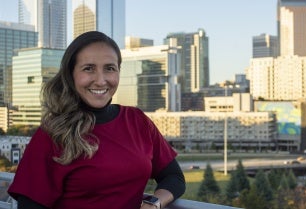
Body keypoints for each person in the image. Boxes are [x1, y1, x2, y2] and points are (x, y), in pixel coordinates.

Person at [8, 31, 185, 209]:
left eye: (109, 68)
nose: (101, 81)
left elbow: (174, 177)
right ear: (71, 74)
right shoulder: (51, 134)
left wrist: (153, 202)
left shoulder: (138, 121)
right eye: (88, 68)